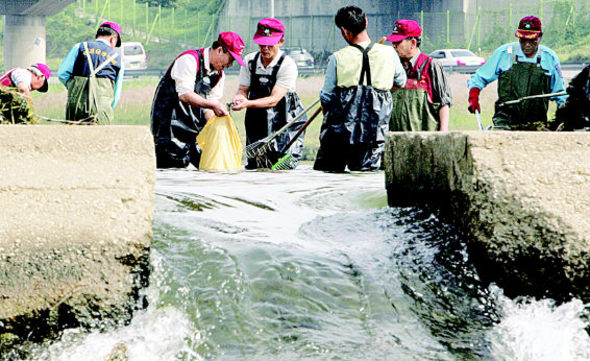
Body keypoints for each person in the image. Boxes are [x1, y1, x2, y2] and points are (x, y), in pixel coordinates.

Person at [314, 5, 406, 172]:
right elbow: (401, 81)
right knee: (369, 173)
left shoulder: (337, 58)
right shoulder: (389, 53)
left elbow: (326, 97)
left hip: (340, 131)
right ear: (366, 22)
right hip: (375, 128)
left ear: (344, 31)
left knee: (330, 173)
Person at [151, 32, 245, 169]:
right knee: (171, 171)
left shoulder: (219, 75)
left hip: (193, 130)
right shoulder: (188, 60)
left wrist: (217, 123)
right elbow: (185, 95)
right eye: (231, 59)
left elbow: (209, 108)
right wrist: (213, 105)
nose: (230, 65)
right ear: (220, 50)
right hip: (168, 128)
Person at [231, 18, 306, 169]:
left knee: (282, 166)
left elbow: (274, 100)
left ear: (281, 41)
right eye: (261, 43)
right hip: (257, 118)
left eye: (269, 43)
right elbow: (243, 89)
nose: (265, 48)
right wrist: (240, 98)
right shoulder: (250, 61)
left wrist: (248, 103)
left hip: (285, 118)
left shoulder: (288, 65)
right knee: (255, 165)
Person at [468, 16, 566, 130]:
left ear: (540, 37)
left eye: (531, 40)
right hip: (505, 121)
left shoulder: (550, 58)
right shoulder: (504, 53)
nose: (527, 44)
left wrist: (563, 112)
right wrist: (473, 95)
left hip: (537, 123)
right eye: (523, 40)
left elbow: (560, 93)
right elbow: (479, 77)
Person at [388, 19, 452, 132]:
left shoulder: (431, 65)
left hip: (424, 142)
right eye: (393, 42)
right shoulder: (391, 67)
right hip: (395, 141)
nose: (394, 45)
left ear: (413, 43)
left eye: (398, 42)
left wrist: (443, 134)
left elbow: (444, 103)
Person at [58, 21, 124, 124]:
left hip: (76, 105)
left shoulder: (79, 47)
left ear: (97, 35)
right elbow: (116, 94)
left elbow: (62, 73)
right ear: (113, 38)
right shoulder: (118, 59)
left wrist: (75, 88)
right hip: (102, 109)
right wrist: (106, 107)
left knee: (73, 137)